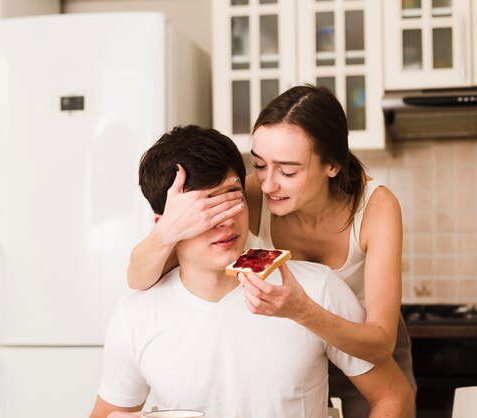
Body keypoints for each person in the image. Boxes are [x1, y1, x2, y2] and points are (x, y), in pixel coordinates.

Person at [127, 85, 417, 417]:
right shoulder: (248, 195)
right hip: (295, 342)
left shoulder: (376, 208)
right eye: (260, 165)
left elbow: (381, 344)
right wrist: (167, 229)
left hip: (364, 341)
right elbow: (140, 277)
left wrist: (303, 311)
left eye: (288, 171)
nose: (267, 185)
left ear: (332, 166)